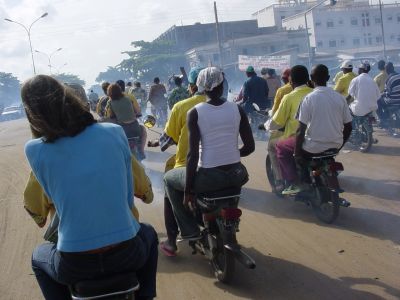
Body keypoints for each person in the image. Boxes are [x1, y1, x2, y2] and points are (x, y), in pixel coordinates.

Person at [22, 75, 158, 300]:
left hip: (74, 264)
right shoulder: (114, 133)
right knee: (149, 233)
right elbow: (129, 195)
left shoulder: (35, 150)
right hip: (127, 253)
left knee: (38, 258)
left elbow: (39, 213)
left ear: (32, 114)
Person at [167, 67, 255, 243]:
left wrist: (188, 191)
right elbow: (250, 147)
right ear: (223, 85)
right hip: (237, 174)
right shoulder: (237, 110)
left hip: (208, 178)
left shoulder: (195, 112)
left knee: (168, 179)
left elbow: (192, 155)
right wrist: (231, 154)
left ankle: (189, 230)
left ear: (200, 87)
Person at [148, 66, 205, 256]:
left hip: (186, 164)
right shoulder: (224, 106)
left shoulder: (182, 106)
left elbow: (169, 135)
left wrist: (159, 142)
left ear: (191, 86)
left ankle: (172, 240)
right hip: (221, 167)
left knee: (168, 184)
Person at [278, 65, 352, 195]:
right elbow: (349, 127)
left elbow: (301, 130)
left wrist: (297, 154)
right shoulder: (340, 98)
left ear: (311, 79)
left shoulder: (308, 99)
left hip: (313, 147)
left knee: (282, 146)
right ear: (328, 78)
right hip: (335, 145)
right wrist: (339, 145)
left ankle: (296, 183)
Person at [271, 65, 313, 194]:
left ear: (290, 80)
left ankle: (292, 181)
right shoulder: (315, 92)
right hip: (325, 138)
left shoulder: (287, 96)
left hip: (301, 138)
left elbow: (277, 119)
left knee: (278, 146)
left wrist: (267, 126)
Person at [105, 84, 145, 160]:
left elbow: (111, 116)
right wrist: (137, 114)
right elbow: (138, 111)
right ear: (120, 90)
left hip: (123, 129)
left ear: (109, 93)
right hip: (135, 127)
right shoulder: (128, 99)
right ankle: (142, 151)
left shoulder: (110, 102)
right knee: (143, 131)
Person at [377, 62, 400, 127]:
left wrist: (381, 94)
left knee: (378, 101)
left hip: (393, 101)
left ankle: (383, 119)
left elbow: (388, 93)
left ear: (386, 70)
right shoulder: (399, 76)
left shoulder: (389, 79)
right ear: (393, 68)